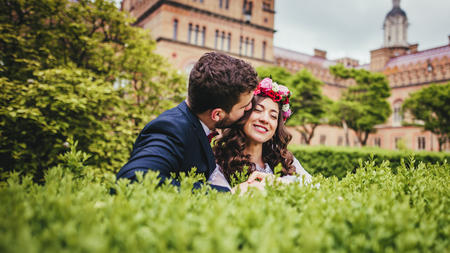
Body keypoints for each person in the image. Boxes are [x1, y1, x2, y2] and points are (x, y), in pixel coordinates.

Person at [116, 52, 259, 192]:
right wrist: (229, 194)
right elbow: (134, 180)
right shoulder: (170, 129)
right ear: (217, 114)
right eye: (243, 106)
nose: (250, 107)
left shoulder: (195, 124)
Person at [208, 77, 312, 192]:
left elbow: (316, 189)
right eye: (257, 110)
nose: (265, 119)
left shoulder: (284, 160)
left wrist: (279, 183)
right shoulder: (217, 159)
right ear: (243, 113)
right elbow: (221, 199)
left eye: (273, 116)